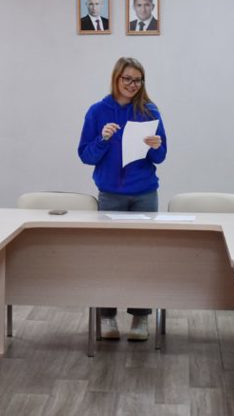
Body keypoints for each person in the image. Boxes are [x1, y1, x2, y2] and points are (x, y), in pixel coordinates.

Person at [77, 57, 167, 341]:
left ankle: (140, 317)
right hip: (111, 195)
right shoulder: (97, 111)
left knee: (143, 256)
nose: (132, 84)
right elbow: (85, 155)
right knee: (108, 256)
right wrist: (102, 139)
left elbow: (161, 156)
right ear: (116, 79)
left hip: (144, 194)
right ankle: (107, 316)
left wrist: (156, 146)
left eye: (137, 80)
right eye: (127, 78)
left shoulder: (149, 111)